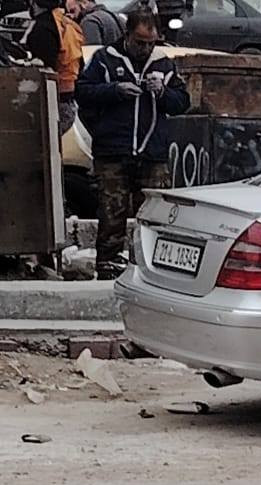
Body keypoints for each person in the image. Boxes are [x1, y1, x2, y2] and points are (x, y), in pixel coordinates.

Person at [76, 10, 191, 280]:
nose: (145, 49)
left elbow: (181, 103)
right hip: (113, 150)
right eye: (140, 43)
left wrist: (162, 92)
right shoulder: (104, 59)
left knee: (153, 216)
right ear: (127, 36)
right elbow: (83, 92)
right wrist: (115, 91)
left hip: (152, 153)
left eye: (151, 43)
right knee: (111, 211)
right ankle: (107, 265)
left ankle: (147, 268)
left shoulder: (163, 64)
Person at [23, 0, 84, 136]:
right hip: (69, 97)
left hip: (52, 99)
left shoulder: (42, 27)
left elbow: (43, 67)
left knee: (40, 142)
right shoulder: (67, 23)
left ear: (34, 4)